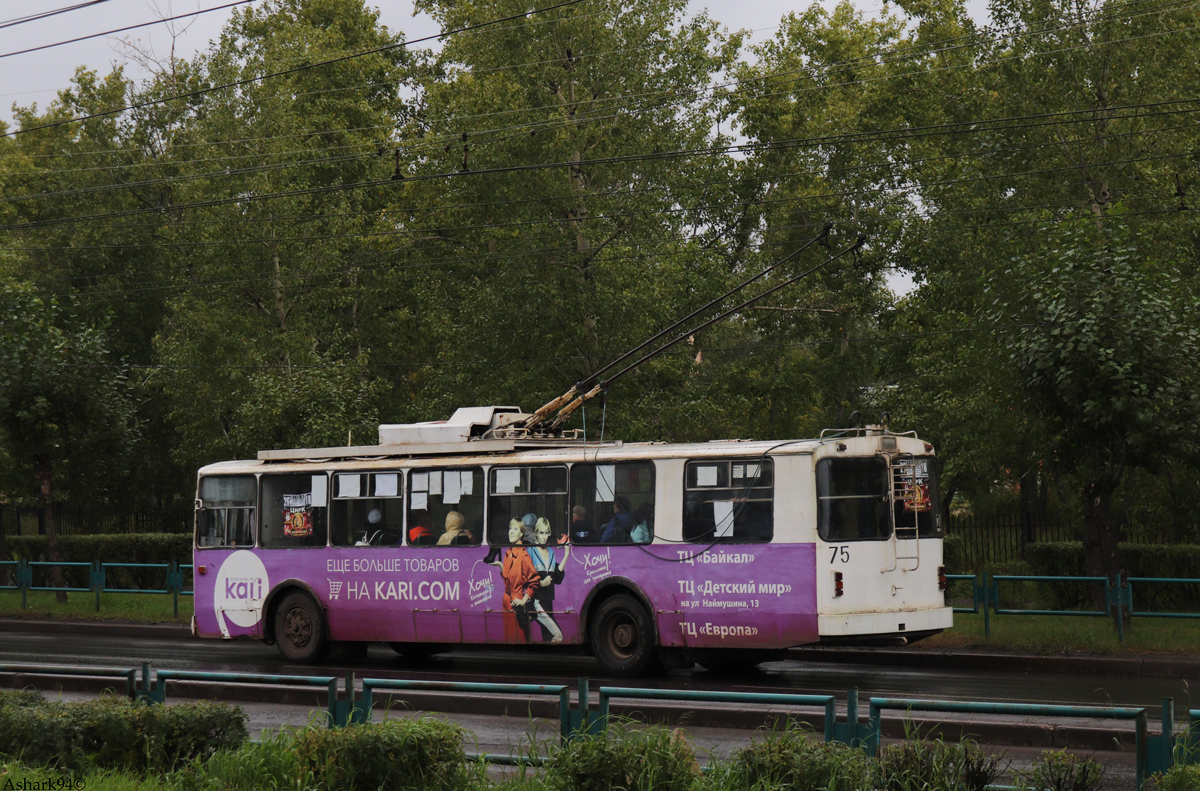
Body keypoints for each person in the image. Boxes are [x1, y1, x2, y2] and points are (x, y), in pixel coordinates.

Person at [489, 518, 539, 643]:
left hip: (517, 602)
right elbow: (508, 580)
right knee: (509, 640)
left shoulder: (523, 555)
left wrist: (524, 600)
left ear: (521, 534)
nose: (511, 532)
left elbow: (535, 580)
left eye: (515, 529)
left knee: (519, 639)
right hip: (506, 601)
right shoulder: (508, 553)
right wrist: (501, 567)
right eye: (510, 528)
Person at [528, 517, 568, 642]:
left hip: (548, 601)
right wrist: (541, 583)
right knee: (558, 636)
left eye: (546, 533)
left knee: (547, 637)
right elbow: (525, 580)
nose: (544, 537)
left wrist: (566, 555)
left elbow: (557, 578)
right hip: (536, 602)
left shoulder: (551, 552)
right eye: (541, 533)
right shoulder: (530, 551)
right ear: (536, 533)